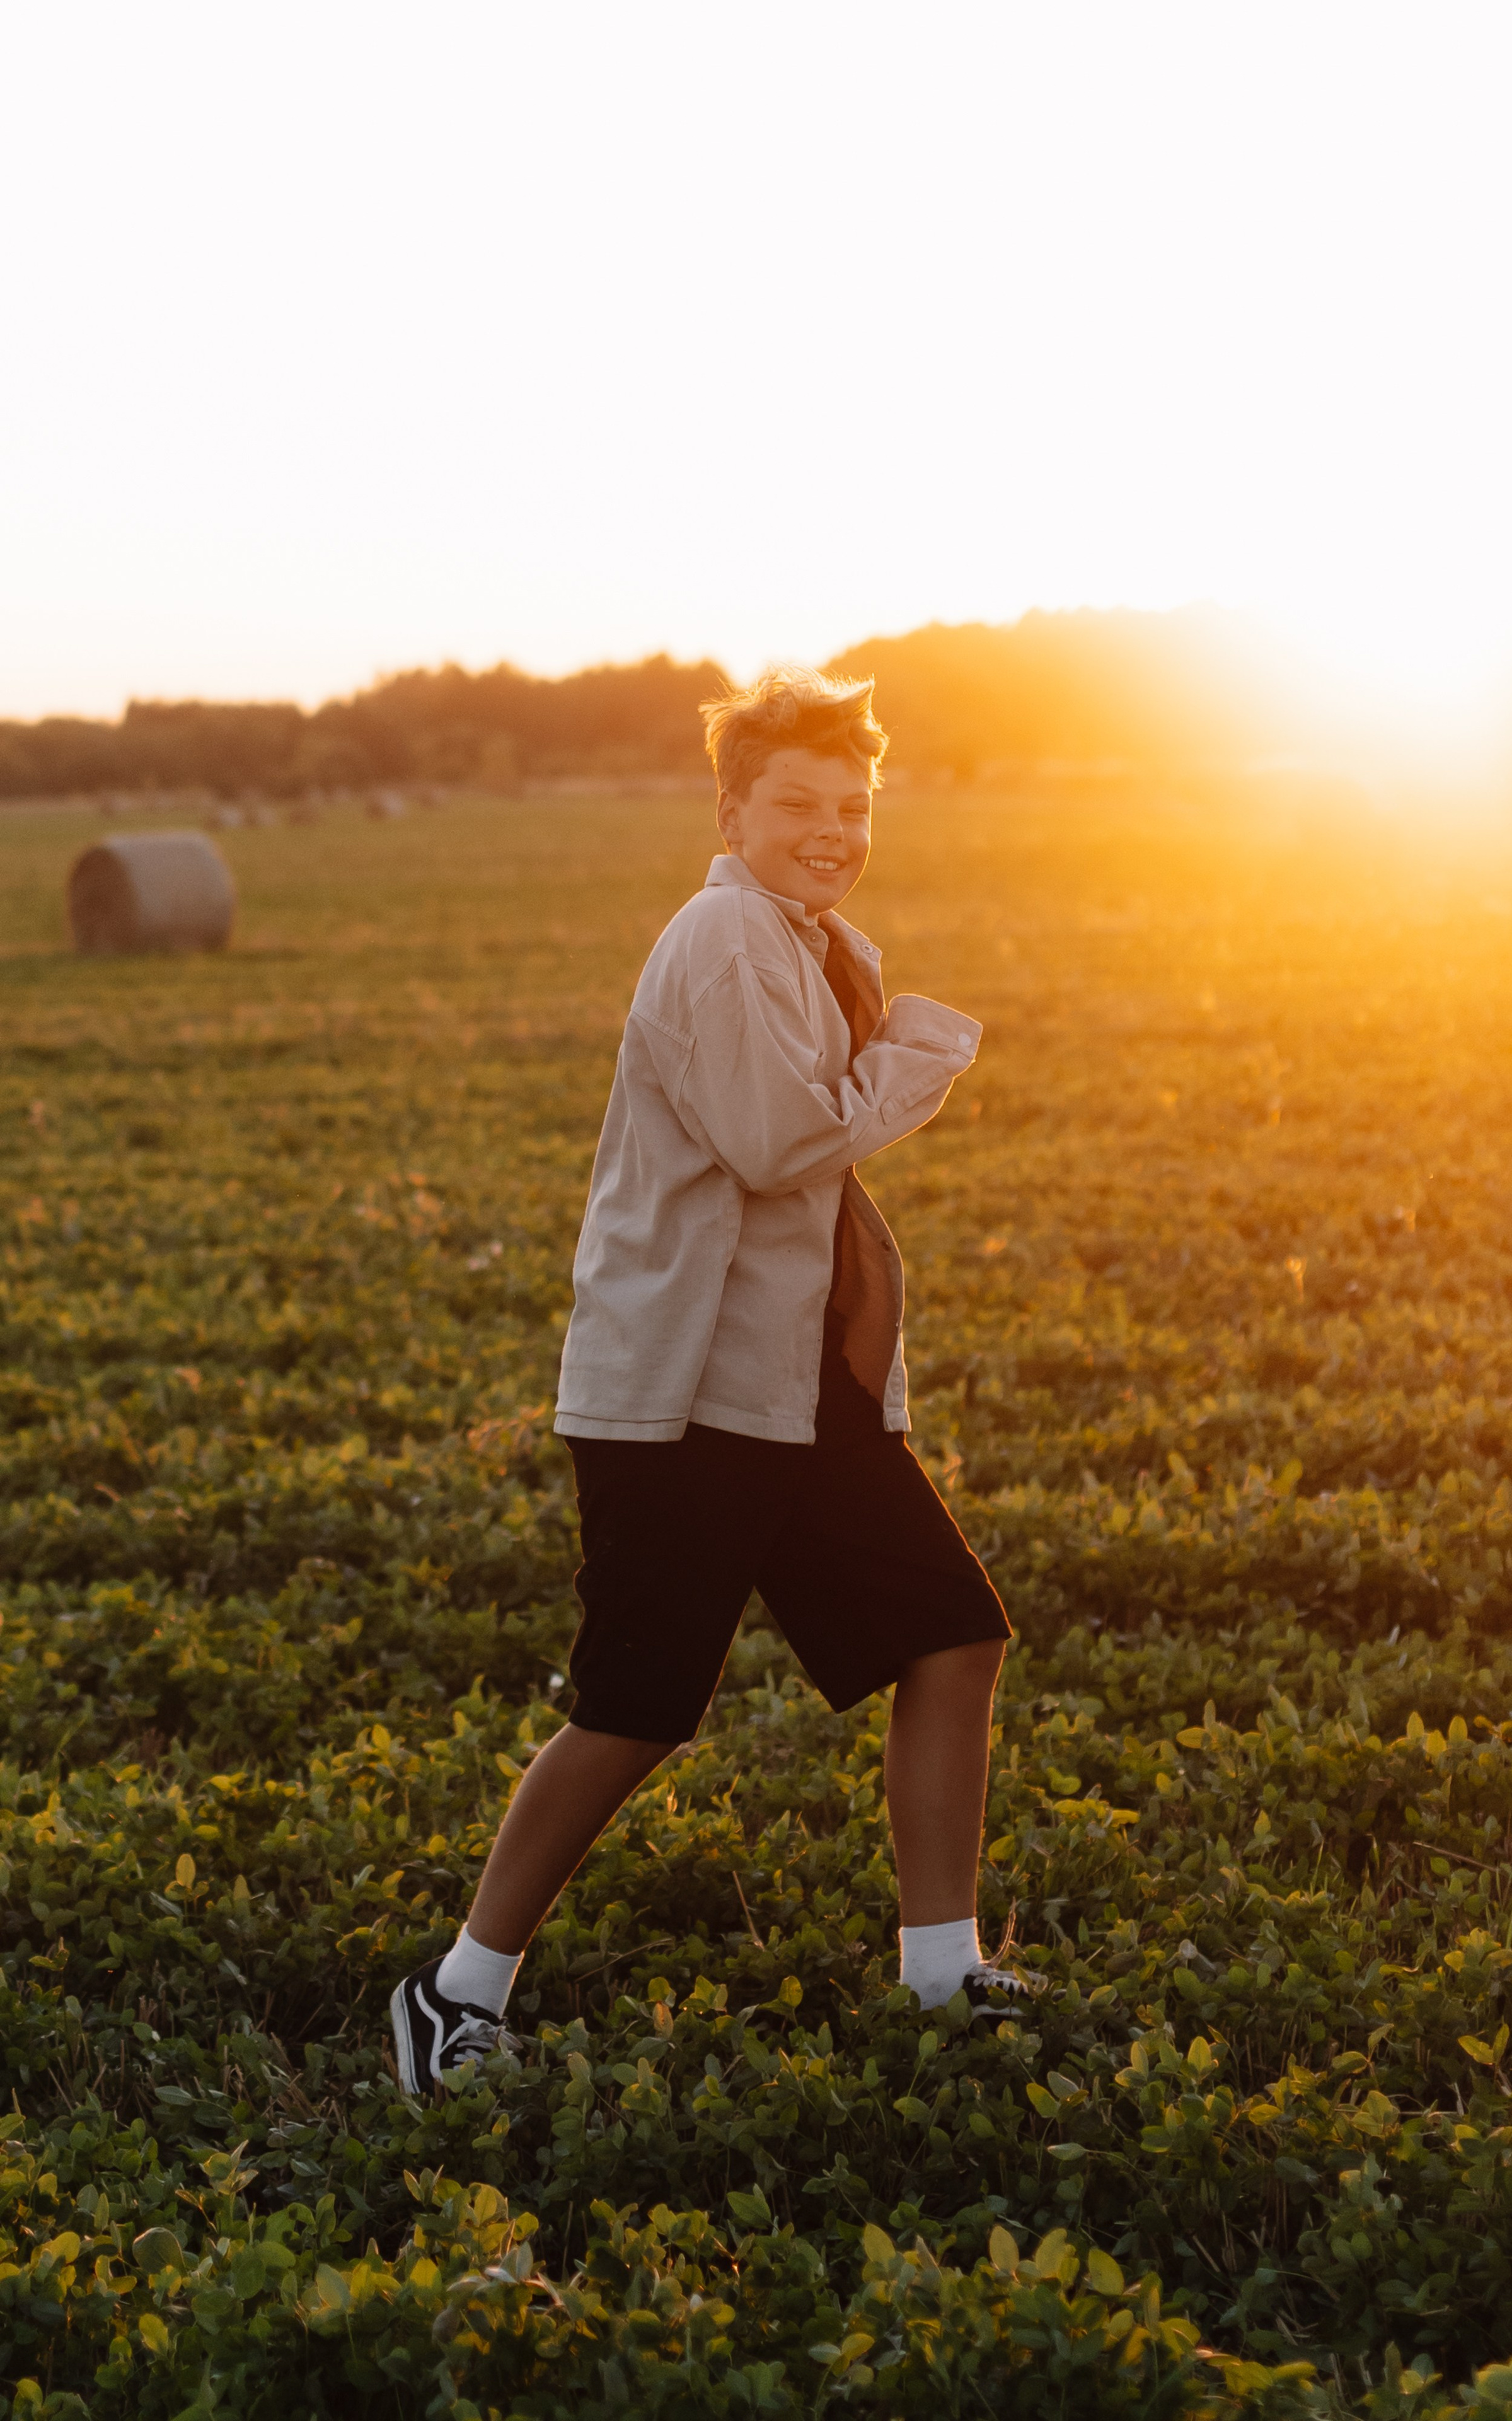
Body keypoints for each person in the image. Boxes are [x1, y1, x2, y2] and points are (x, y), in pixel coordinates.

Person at [391, 666, 1029, 2093]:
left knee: (951, 1636)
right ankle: (452, 1997)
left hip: (795, 1391)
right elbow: (770, 1139)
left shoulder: (802, 937)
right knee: (632, 1706)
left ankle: (942, 1975)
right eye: (797, 803)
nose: (831, 828)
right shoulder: (729, 937)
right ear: (730, 808)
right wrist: (919, 1055)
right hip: (686, 1397)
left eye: (851, 807)